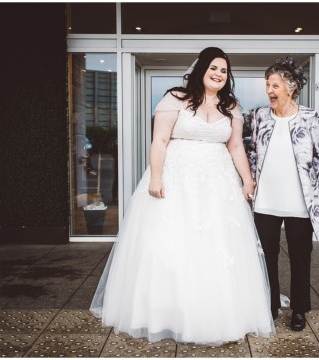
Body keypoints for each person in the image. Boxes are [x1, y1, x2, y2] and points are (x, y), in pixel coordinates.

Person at [90, 47, 275, 345]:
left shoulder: (231, 106)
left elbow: (236, 147)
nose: (218, 74)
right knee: (173, 244)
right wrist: (157, 175)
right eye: (213, 68)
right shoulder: (175, 97)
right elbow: (160, 140)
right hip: (177, 179)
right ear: (201, 68)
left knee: (217, 246)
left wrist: (247, 179)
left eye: (224, 70)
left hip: (218, 183)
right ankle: (168, 314)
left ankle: (217, 314)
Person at [248, 57, 319, 331]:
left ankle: (299, 310)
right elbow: (253, 154)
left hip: (299, 203)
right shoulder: (259, 116)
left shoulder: (310, 117)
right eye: (267, 84)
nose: (269, 89)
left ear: (291, 87)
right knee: (265, 257)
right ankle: (269, 306)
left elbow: (318, 161)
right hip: (266, 201)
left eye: (275, 85)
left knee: (300, 257)